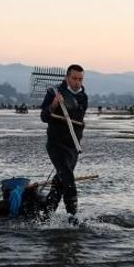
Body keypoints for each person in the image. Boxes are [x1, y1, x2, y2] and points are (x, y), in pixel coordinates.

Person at [40, 64, 88, 225]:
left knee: (59, 183)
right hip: (55, 144)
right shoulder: (54, 92)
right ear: (67, 78)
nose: (77, 82)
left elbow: (78, 120)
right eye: (74, 78)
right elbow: (44, 117)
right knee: (68, 178)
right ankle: (73, 217)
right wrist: (54, 103)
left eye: (80, 79)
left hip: (73, 145)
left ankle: (45, 216)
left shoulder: (83, 97)